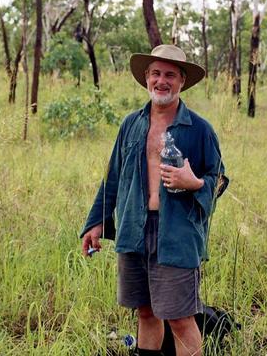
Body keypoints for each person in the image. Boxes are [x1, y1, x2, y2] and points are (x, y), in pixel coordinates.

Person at [80, 44, 228, 356]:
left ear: (182, 81)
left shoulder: (200, 129)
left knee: (179, 317)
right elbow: (113, 176)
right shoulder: (131, 124)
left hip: (177, 234)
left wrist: (195, 182)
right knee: (145, 311)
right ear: (146, 78)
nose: (162, 81)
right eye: (156, 73)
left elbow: (220, 179)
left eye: (170, 75)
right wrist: (95, 223)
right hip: (134, 228)